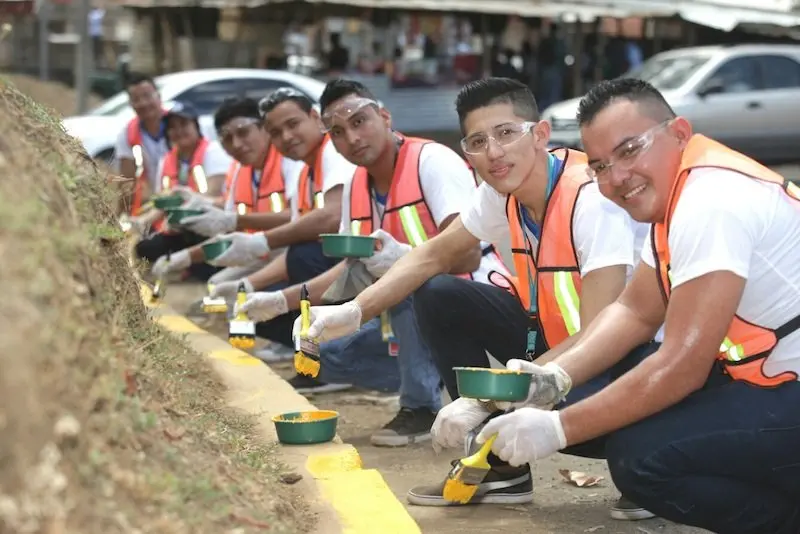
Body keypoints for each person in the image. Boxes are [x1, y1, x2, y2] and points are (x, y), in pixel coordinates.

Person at [288, 78, 654, 518]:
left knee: (640, 463)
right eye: (479, 141)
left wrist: (488, 399)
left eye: (506, 133)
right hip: (555, 350)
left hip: (624, 359)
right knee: (439, 292)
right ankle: (498, 471)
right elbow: (431, 255)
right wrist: (352, 310)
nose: (494, 152)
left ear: (539, 134)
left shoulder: (591, 200)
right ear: (468, 151)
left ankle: (651, 458)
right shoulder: (500, 195)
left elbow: (601, 334)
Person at [457, 77, 800, 533]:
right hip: (770, 381)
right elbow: (635, 311)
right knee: (640, 436)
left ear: (678, 132)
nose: (616, 177)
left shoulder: (709, 202)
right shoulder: (682, 194)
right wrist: (553, 378)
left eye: (630, 149)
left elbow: (681, 364)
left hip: (785, 387)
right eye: (599, 165)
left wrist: (560, 428)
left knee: (641, 459)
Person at [237, 78, 510, 444]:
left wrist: (403, 259)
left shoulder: (431, 161)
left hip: (467, 294)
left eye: (360, 122)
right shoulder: (355, 185)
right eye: (337, 131)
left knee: (417, 283)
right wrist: (281, 301)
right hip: (403, 308)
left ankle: (420, 405)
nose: (352, 138)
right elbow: (353, 268)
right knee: (323, 352)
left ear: (384, 116)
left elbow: (469, 252)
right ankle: (428, 372)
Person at [202, 88, 357, 355]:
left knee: (303, 256)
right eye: (276, 132)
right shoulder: (301, 172)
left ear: (315, 118)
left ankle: (334, 354)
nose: (286, 137)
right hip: (330, 266)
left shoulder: (330, 150)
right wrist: (248, 286)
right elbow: (297, 236)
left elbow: (331, 217)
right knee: (250, 308)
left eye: (293, 124)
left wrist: (259, 241)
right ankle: (320, 353)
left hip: (359, 267)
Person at [148, 97, 301, 286]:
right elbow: (228, 217)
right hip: (259, 249)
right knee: (216, 285)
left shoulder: (289, 159)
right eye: (227, 138)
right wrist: (184, 257)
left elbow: (298, 217)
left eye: (243, 132)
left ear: (265, 128)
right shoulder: (238, 169)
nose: (236, 144)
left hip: (293, 247)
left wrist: (231, 219)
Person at [134, 101, 232, 282]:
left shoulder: (213, 152)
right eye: (172, 127)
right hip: (179, 229)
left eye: (184, 125)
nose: (179, 131)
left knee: (206, 267)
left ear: (196, 126)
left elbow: (215, 195)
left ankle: (192, 266)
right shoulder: (168, 160)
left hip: (210, 224)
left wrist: (184, 199)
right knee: (145, 249)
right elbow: (164, 199)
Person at [115, 74, 168, 219]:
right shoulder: (127, 136)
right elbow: (127, 182)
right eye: (136, 99)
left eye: (147, 96)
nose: (143, 103)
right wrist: (121, 216)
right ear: (131, 104)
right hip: (149, 205)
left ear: (159, 96)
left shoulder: (179, 125)